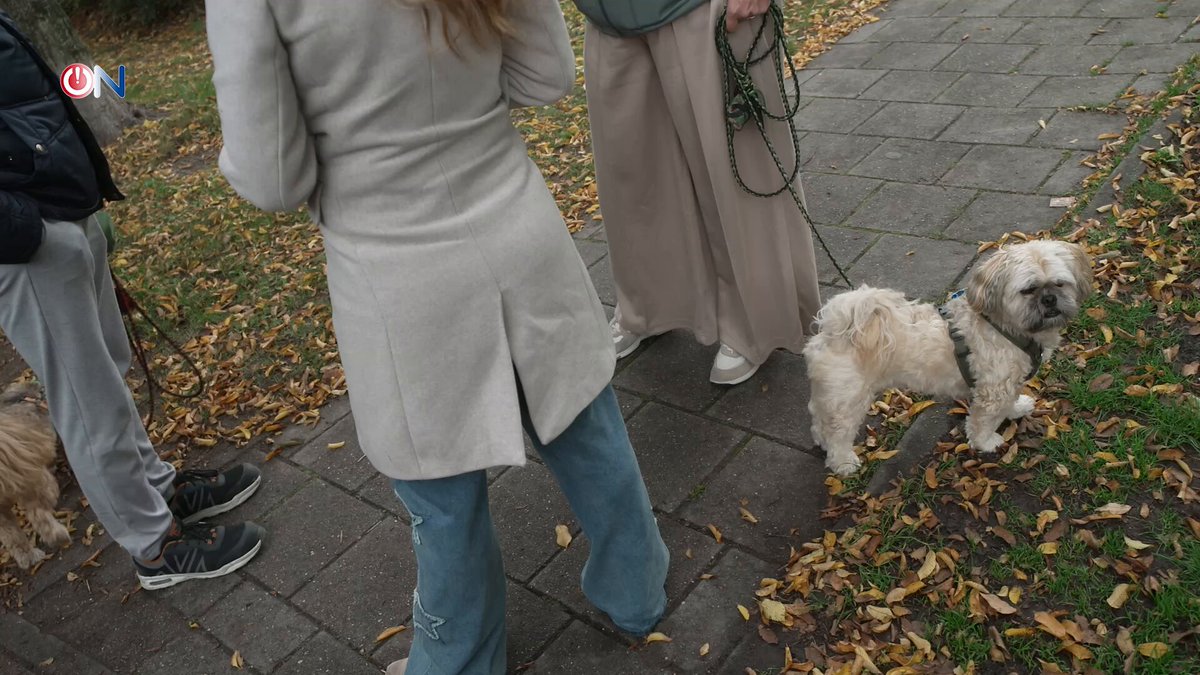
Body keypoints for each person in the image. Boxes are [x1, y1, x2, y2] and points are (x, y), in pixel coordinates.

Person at [204, 0, 670, 673]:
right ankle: (638, 589)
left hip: (397, 268)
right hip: (515, 222)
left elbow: (275, 176)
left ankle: (461, 658)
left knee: (440, 488)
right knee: (582, 419)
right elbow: (545, 76)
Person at [0, 11, 264, 590]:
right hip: (27, 241)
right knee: (87, 400)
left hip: (61, 213)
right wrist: (27, 230)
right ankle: (153, 548)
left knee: (106, 373)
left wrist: (82, 201)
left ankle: (159, 489)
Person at [571, 0, 822, 385]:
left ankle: (755, 319)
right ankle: (650, 305)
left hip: (704, 9)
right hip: (608, 15)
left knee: (733, 168)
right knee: (634, 180)